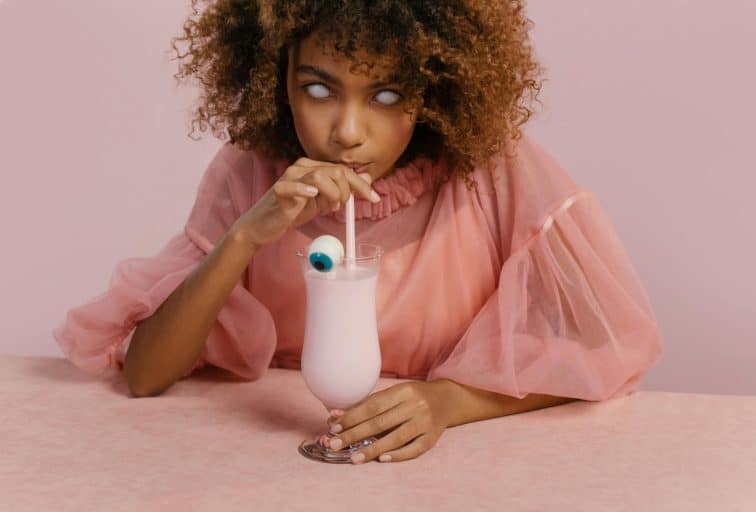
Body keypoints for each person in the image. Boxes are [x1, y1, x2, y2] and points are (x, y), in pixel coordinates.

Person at [53, 0, 663, 464]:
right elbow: (145, 375)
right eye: (318, 89)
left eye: (387, 94)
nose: (348, 131)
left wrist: (451, 402)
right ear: (276, 76)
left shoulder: (488, 172)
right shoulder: (252, 173)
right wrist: (245, 237)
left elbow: (606, 345)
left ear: (434, 90)